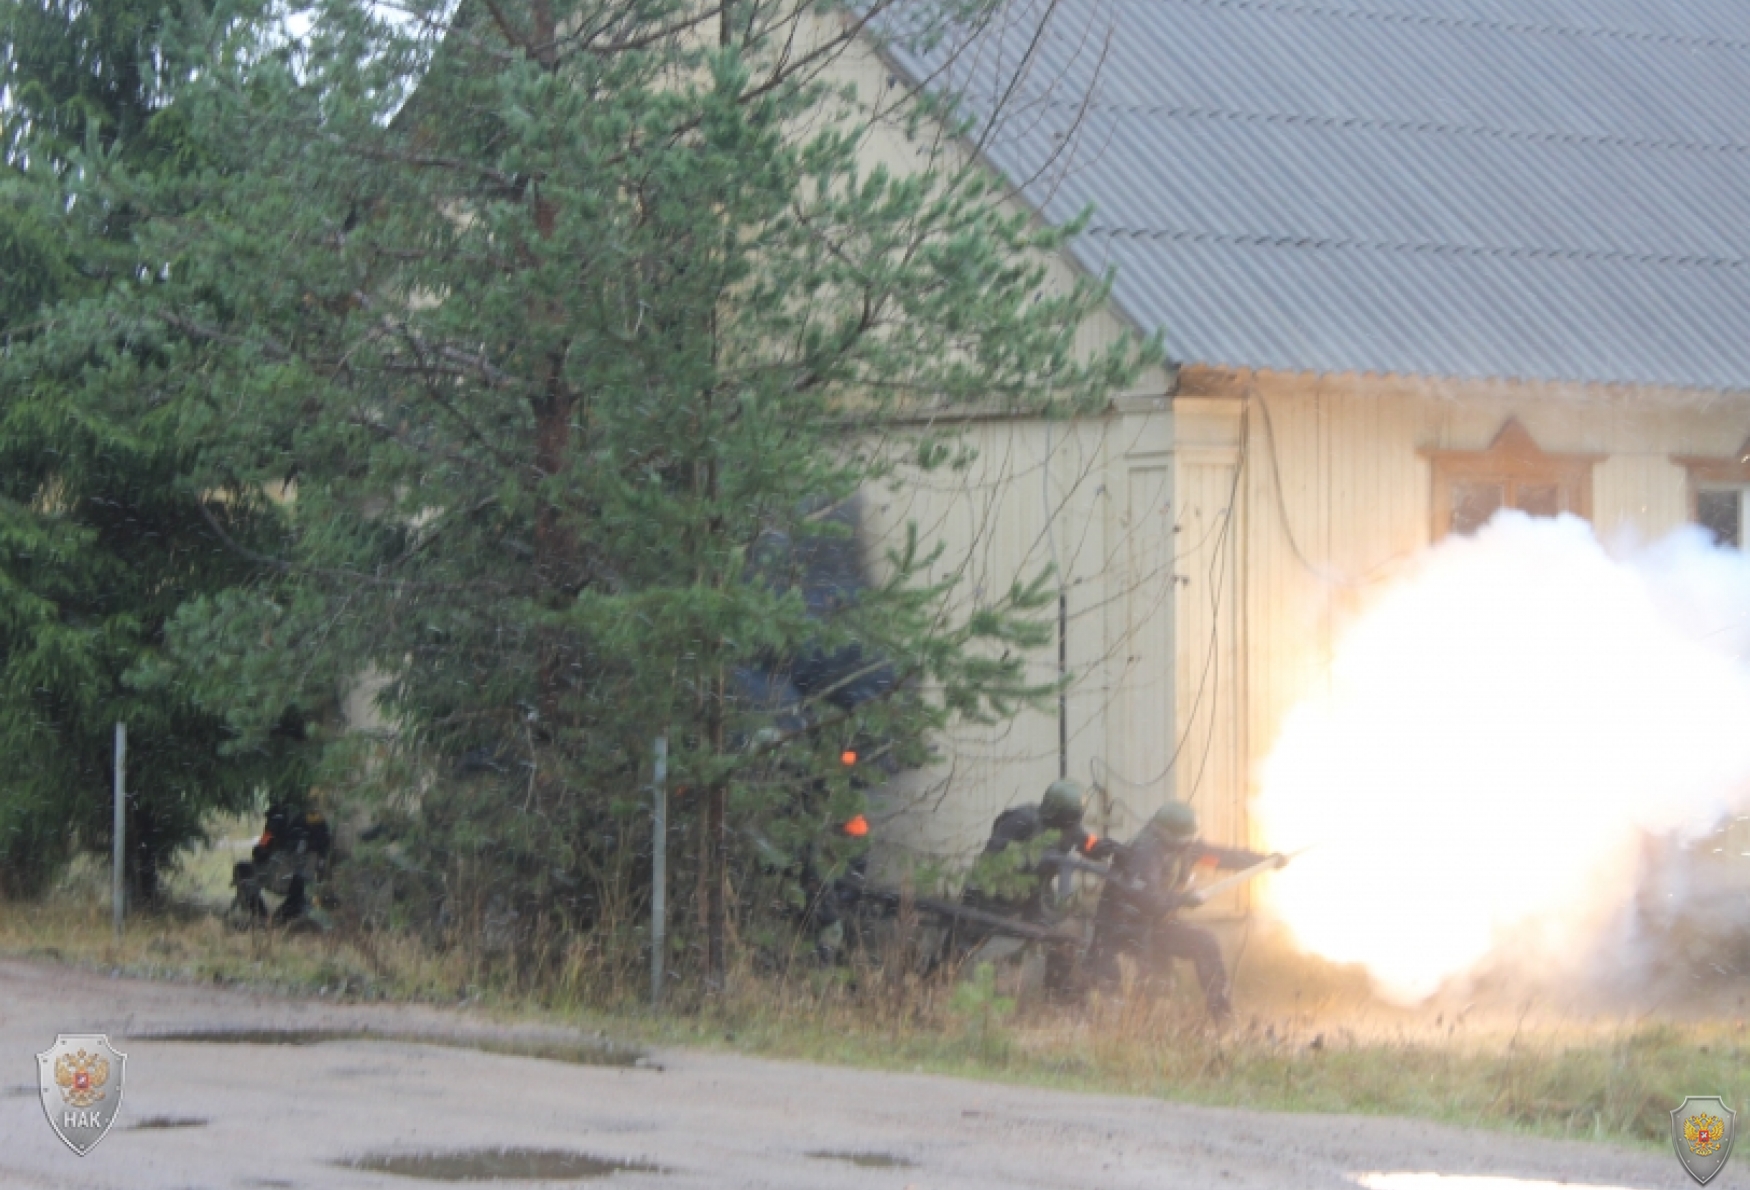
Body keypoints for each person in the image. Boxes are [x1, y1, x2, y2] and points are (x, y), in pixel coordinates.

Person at [1082, 800, 1285, 1022]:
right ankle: (1127, 1025)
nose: (1191, 845)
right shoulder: (1145, 852)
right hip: (1125, 930)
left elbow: (1222, 857)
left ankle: (1222, 1018)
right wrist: (1182, 899)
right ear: (1169, 835)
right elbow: (1147, 899)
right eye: (1185, 840)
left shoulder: (1185, 848)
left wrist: (1265, 861)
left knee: (1204, 943)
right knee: (1133, 991)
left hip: (1156, 925)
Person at [942, 779, 1115, 991]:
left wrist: (1100, 847)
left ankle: (1057, 991)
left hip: (1035, 896)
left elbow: (1084, 841)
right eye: (1070, 816)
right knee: (962, 944)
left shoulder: (1069, 826)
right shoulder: (1020, 821)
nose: (1074, 821)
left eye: (1076, 816)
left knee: (1061, 936)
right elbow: (991, 859)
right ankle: (936, 981)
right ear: (1057, 811)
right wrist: (1034, 861)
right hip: (995, 894)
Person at [232, 802, 333, 926]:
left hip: (292, 879)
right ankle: (265, 918)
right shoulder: (314, 817)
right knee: (243, 870)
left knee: (243, 870)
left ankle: (267, 919)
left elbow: (261, 848)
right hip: (289, 878)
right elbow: (262, 846)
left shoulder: (283, 814)